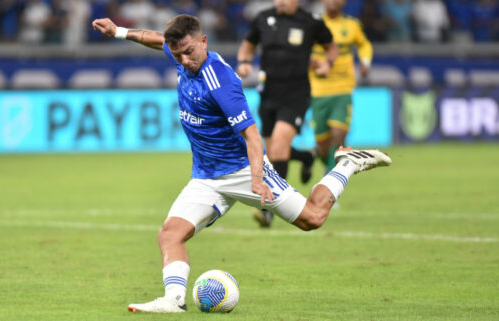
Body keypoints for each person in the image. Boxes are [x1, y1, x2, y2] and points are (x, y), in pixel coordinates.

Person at [92, 14, 391, 314]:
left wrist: (258, 178)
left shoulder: (220, 81)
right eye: (178, 53)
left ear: (203, 41)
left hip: (243, 170)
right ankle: (173, 300)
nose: (184, 60)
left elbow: (252, 136)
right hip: (206, 177)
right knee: (170, 234)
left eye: (189, 52)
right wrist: (119, 31)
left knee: (312, 219)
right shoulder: (181, 51)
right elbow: (158, 39)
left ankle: (346, 164)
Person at [236, 0, 338, 227]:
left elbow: (332, 47)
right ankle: (305, 156)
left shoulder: (310, 22)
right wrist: (244, 62)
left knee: (280, 144)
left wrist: (326, 64)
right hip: (268, 94)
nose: (280, 1)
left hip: (296, 95)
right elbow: (248, 44)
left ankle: (270, 208)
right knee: (271, 153)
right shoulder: (263, 18)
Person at [309, 0, 373, 177]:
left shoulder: (352, 25)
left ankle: (329, 180)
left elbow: (364, 44)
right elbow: (302, 51)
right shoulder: (313, 25)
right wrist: (312, 63)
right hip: (318, 90)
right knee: (323, 146)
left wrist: (365, 61)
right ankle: (324, 163)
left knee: (338, 136)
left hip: (343, 89)